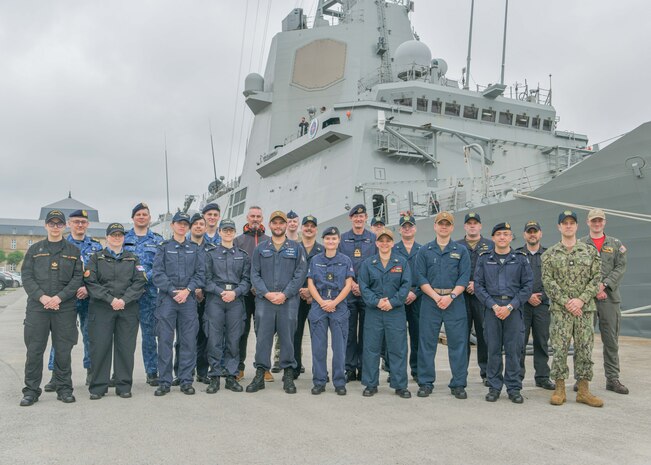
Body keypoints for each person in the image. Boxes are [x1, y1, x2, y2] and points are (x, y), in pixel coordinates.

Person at [20, 210, 83, 406]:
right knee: (34, 350)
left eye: (59, 224)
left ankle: (64, 389)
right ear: (46, 226)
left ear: (64, 226)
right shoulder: (34, 250)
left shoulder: (73, 251)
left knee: (63, 350)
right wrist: (43, 297)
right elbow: (27, 277)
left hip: (64, 308)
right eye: (52, 223)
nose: (55, 227)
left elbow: (77, 279)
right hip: (38, 308)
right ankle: (31, 391)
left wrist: (58, 298)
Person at [542, 210, 603, 407]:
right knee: (559, 349)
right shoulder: (549, 254)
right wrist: (567, 302)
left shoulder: (590, 251)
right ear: (559, 227)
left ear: (577, 226)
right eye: (564, 223)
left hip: (584, 310)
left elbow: (595, 279)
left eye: (572, 223)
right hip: (561, 311)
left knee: (584, 348)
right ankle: (560, 388)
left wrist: (581, 300)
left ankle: (583, 390)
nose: (568, 226)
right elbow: (547, 281)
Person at [246, 211, 307, 394]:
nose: (278, 226)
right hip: (265, 301)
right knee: (263, 338)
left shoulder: (296, 248)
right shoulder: (261, 248)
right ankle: (260, 374)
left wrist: (285, 294)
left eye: (282, 223)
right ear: (270, 225)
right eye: (275, 223)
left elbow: (300, 274)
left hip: (287, 302)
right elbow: (254, 274)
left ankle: (288, 374)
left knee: (288, 338)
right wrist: (266, 293)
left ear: (285, 225)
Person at [85, 223, 146, 399]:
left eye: (120, 235)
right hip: (102, 308)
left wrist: (123, 300)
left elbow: (140, 282)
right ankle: (98, 387)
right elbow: (91, 283)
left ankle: (124, 385)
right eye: (113, 235)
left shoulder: (133, 259)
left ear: (124, 238)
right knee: (100, 347)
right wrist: (111, 299)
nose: (117, 238)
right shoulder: (96, 258)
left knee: (125, 348)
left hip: (127, 309)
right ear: (107, 238)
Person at [44, 209, 103, 391]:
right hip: (66, 299)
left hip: (89, 298)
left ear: (88, 225)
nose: (80, 225)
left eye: (83, 222)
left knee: (91, 337)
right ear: (69, 224)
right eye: (76, 221)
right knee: (61, 338)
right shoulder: (60, 244)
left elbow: (101, 273)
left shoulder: (96, 247)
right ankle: (56, 375)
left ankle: (91, 372)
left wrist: (87, 288)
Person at [474, 222, 533, 403]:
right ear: (493, 238)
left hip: (513, 310)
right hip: (492, 309)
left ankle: (514, 388)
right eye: (498, 234)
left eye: (506, 234)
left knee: (514, 350)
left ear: (510, 237)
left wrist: (510, 307)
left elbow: (527, 286)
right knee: (493, 349)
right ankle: (494, 387)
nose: (502, 237)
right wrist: (493, 305)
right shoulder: (484, 259)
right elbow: (478, 285)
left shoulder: (521, 259)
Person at [416, 211, 471, 400]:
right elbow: (420, 277)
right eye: (441, 223)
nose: (444, 227)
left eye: (447, 224)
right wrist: (436, 296)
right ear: (435, 226)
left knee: (458, 344)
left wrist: (451, 296)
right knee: (427, 343)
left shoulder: (461, 251)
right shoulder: (425, 250)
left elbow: (464, 276)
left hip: (454, 301)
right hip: (430, 301)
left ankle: (458, 384)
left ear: (452, 227)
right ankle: (425, 382)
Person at [151, 212, 205, 396]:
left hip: (188, 299)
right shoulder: (164, 247)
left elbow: (200, 274)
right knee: (165, 341)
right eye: (179, 223)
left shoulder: (195, 248)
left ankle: (185, 380)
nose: (182, 226)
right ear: (173, 225)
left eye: (185, 224)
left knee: (188, 341)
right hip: (168, 299)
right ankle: (164, 381)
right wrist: (174, 292)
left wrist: (187, 290)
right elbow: (157, 274)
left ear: (188, 227)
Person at [579, 208, 629, 394]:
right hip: (587, 299)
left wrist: (604, 285)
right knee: (584, 340)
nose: (597, 223)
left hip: (609, 298)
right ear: (588, 222)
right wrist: (594, 288)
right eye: (594, 221)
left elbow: (620, 268)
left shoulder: (616, 244)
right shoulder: (581, 244)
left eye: (600, 220)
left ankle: (612, 379)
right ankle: (582, 378)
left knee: (611, 340)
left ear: (605, 222)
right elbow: (578, 271)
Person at [358, 228, 412, 398]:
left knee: (398, 349)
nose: (384, 243)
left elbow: (406, 285)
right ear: (376, 243)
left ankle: (400, 385)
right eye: (381, 241)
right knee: (371, 349)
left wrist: (392, 302)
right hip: (374, 312)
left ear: (392, 243)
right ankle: (370, 384)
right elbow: (363, 286)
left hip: (395, 312)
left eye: (388, 241)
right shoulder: (368, 263)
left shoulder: (401, 262)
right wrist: (377, 301)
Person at [203, 219, 251, 394]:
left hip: (235, 300)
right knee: (214, 339)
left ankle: (231, 376)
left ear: (234, 232)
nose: (228, 233)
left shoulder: (243, 255)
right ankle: (214, 376)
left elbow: (247, 280)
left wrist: (235, 293)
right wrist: (220, 291)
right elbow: (205, 279)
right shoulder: (210, 254)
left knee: (233, 339)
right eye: (225, 230)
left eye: (231, 230)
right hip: (216, 298)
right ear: (220, 232)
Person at [307, 226, 353, 395]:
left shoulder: (346, 260)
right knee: (318, 347)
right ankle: (319, 381)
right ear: (323, 240)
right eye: (328, 239)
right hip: (319, 305)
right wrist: (322, 302)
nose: (331, 241)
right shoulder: (315, 259)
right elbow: (310, 283)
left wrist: (334, 302)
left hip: (338, 305)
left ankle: (339, 382)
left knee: (339, 347)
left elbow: (348, 284)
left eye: (334, 239)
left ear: (339, 240)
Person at [124, 202, 163, 386]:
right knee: (125, 336)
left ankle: (152, 371)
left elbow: (160, 265)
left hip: (149, 295)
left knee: (149, 336)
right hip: (127, 296)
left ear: (149, 218)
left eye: (144, 214)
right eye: (138, 214)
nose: (141, 217)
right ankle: (122, 373)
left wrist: (145, 278)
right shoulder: (123, 238)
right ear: (132, 218)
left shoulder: (157, 240)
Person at [338, 204, 377, 382]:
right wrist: (351, 283)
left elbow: (376, 265)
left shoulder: (373, 239)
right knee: (349, 331)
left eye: (362, 217)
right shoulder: (343, 239)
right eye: (356, 216)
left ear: (366, 218)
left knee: (367, 333)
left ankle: (363, 368)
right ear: (351, 218)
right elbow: (340, 264)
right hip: (348, 292)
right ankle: (349, 368)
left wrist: (362, 285)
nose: (359, 219)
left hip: (367, 292)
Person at [234, 206, 272, 382]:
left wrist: (263, 287)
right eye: (252, 216)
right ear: (247, 218)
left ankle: (263, 367)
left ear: (262, 218)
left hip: (262, 294)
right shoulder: (238, 241)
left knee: (263, 331)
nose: (255, 219)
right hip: (244, 294)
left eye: (258, 216)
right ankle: (239, 367)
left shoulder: (269, 241)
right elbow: (234, 268)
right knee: (241, 331)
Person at [517, 221, 555, 390]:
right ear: (525, 235)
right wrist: (527, 296)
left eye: (535, 231)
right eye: (529, 231)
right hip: (522, 306)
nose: (532, 234)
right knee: (519, 342)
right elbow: (512, 280)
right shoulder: (516, 255)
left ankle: (542, 376)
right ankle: (516, 376)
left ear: (540, 234)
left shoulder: (549, 255)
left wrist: (542, 296)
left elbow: (555, 280)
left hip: (542, 305)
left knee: (541, 341)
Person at [456, 212, 493, 386]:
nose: (472, 226)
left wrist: (477, 285)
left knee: (484, 335)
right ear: (464, 226)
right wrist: (465, 284)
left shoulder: (490, 245)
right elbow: (452, 271)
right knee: (461, 337)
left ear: (480, 226)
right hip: (461, 297)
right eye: (469, 223)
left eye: (475, 223)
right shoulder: (456, 246)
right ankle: (460, 374)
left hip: (482, 297)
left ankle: (486, 372)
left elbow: (494, 271)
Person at [393, 214, 422, 380]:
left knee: (417, 336)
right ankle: (395, 371)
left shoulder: (423, 250)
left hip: (418, 297)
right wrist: (402, 294)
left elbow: (426, 275)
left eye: (410, 226)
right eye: (404, 226)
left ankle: (417, 370)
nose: (407, 229)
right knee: (396, 337)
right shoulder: (393, 250)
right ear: (399, 230)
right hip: (398, 298)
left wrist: (415, 292)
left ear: (415, 229)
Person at [294, 215, 324, 378]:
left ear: (316, 230)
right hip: (296, 298)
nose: (309, 228)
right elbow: (288, 273)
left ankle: (319, 371)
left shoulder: (323, 250)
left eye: (312, 226)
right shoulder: (293, 248)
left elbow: (327, 275)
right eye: (306, 226)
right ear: (301, 228)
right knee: (295, 335)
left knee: (318, 336)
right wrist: (301, 290)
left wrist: (312, 293)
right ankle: (295, 368)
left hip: (316, 300)